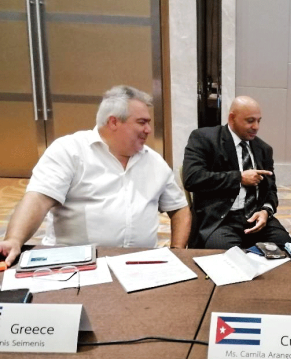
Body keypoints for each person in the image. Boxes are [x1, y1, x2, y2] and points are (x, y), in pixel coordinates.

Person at [0, 85, 191, 266]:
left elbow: (179, 208)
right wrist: (14, 239)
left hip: (139, 263)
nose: (148, 130)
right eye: (142, 122)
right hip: (77, 264)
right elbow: (38, 199)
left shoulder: (154, 161)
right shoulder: (70, 151)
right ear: (113, 121)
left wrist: (177, 251)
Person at [182, 96, 291, 250]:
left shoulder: (263, 149)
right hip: (221, 220)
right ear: (232, 118)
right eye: (250, 121)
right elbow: (193, 178)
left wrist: (266, 211)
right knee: (229, 260)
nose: (256, 126)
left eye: (259, 121)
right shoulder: (204, 138)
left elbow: (271, 190)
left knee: (287, 249)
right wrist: (239, 178)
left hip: (256, 218)